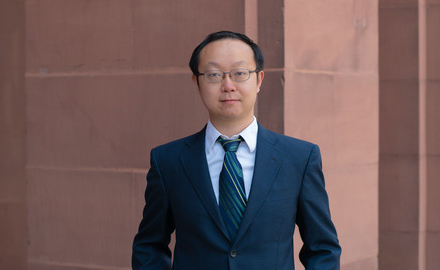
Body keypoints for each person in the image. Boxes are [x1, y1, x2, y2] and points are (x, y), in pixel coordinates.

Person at [132, 31, 341, 270]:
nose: (228, 85)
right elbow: (149, 246)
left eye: (240, 73)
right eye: (213, 75)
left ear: (259, 80)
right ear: (196, 83)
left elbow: (323, 249)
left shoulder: (299, 158)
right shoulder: (168, 161)